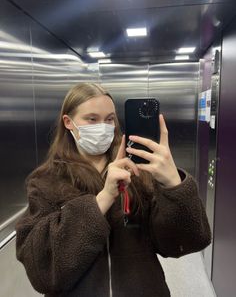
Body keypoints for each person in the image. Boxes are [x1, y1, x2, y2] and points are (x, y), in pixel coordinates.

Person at [16, 82, 211, 297]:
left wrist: (174, 184)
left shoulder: (138, 170)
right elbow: (42, 270)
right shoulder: (45, 181)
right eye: (92, 119)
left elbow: (186, 242)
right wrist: (104, 198)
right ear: (68, 122)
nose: (104, 126)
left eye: (109, 119)